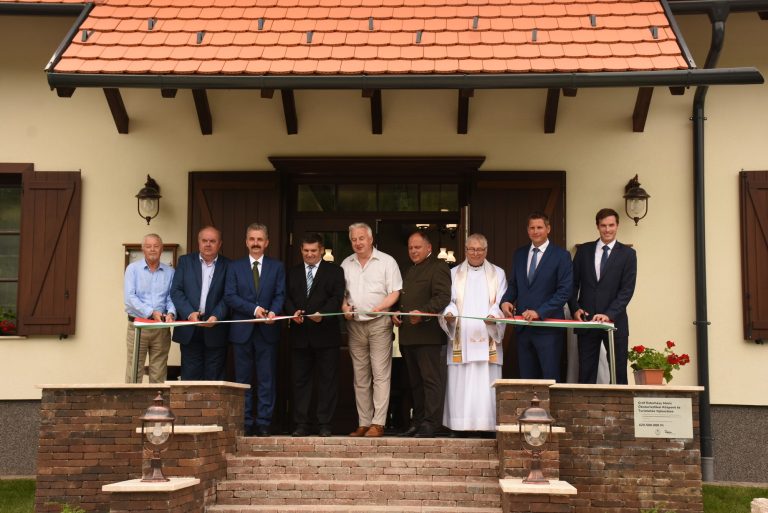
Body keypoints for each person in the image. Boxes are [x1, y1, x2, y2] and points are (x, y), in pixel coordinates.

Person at [440, 233, 507, 435]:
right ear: (465, 250)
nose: (475, 253)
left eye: (479, 249)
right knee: (461, 382)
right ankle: (460, 426)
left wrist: (493, 316)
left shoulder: (498, 273)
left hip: (488, 337)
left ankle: (487, 426)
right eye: (471, 249)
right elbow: (449, 300)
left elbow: (500, 301)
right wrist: (449, 314)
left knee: (486, 384)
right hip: (462, 338)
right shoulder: (453, 274)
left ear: (486, 251)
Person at [341, 222, 402, 438]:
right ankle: (364, 422)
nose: (358, 243)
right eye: (354, 239)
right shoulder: (346, 263)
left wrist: (382, 307)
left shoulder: (387, 261)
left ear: (370, 239)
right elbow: (342, 295)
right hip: (355, 324)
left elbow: (395, 291)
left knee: (380, 374)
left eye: (361, 238)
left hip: (379, 323)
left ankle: (378, 423)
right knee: (360, 376)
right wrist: (345, 308)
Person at [224, 223, 285, 437]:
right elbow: (230, 296)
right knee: (243, 381)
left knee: (266, 380)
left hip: (267, 331)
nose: (256, 243)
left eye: (260, 239)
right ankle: (246, 422)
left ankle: (264, 423)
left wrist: (273, 312)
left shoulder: (277, 267)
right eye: (252, 239)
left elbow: (280, 294)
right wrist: (254, 309)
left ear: (267, 242)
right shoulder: (235, 267)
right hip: (242, 332)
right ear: (246, 242)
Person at [284, 233, 346, 437]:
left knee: (327, 382)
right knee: (300, 382)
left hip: (326, 335)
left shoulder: (335, 271)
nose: (309, 254)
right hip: (300, 336)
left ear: (321, 250)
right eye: (306, 251)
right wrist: (292, 312)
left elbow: (337, 297)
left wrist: (323, 314)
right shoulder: (292, 272)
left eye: (313, 250)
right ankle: (301, 424)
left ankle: (325, 424)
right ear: (301, 250)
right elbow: (286, 297)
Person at [500, 212, 572, 381]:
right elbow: (514, 284)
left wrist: (539, 312)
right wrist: (506, 301)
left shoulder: (561, 256)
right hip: (524, 329)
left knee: (550, 379)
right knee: (527, 380)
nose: (535, 231)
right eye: (532, 228)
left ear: (548, 229)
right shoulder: (519, 254)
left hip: (548, 329)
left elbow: (564, 291)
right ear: (527, 230)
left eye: (539, 227)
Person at [393, 231, 451, 438]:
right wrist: (396, 312)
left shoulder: (438, 267)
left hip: (428, 335)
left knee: (430, 381)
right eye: (410, 247)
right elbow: (404, 299)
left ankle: (431, 423)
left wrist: (424, 313)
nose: (413, 251)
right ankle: (417, 422)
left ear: (429, 248)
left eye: (417, 247)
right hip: (408, 335)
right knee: (414, 383)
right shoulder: (409, 270)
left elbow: (443, 297)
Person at [569, 208, 637, 384]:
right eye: (603, 225)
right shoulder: (584, 251)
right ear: (597, 226)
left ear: (617, 225)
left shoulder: (628, 254)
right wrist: (575, 308)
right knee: (586, 374)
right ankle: (586, 403)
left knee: (618, 374)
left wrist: (609, 314)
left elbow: (627, 290)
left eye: (611, 225)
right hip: (587, 320)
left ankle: (619, 404)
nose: (607, 230)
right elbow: (572, 284)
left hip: (615, 321)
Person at [170, 226, 230, 381]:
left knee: (213, 379)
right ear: (199, 242)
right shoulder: (185, 261)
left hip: (215, 329)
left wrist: (216, 316)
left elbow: (229, 296)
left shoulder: (228, 265)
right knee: (190, 379)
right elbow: (176, 291)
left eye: (212, 241)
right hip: (190, 329)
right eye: (204, 240)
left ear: (220, 244)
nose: (208, 244)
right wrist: (189, 313)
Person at [124, 233, 176, 383]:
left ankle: (157, 400)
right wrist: (151, 312)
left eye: (156, 246)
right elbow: (130, 298)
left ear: (162, 249)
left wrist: (171, 313)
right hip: (138, 326)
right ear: (143, 249)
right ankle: (132, 399)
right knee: (134, 373)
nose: (152, 249)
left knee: (159, 373)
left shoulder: (170, 272)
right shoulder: (132, 269)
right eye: (148, 246)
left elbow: (171, 297)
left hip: (161, 328)